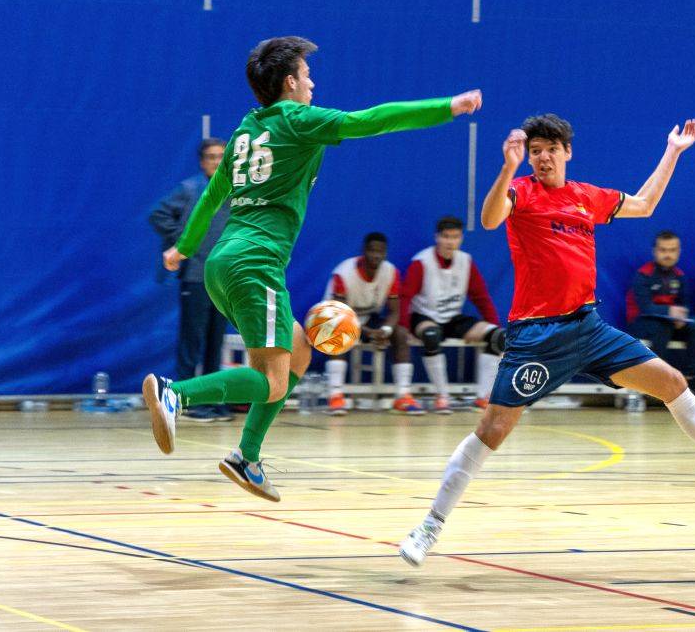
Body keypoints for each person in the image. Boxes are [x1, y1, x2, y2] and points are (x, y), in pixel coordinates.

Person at [399, 114, 695, 567]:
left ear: (568, 151)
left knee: (670, 382)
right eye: (535, 151)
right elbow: (490, 220)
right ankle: (430, 525)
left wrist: (673, 151)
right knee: (492, 430)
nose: (543, 157)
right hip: (537, 335)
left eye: (551, 149)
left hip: (587, 328)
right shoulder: (522, 192)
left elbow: (644, 204)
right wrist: (508, 168)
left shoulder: (587, 197)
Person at [141, 36, 482, 502]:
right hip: (255, 262)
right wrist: (448, 107)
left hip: (224, 262)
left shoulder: (245, 131)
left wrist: (183, 248)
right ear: (289, 82)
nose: (313, 82)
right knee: (273, 381)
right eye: (306, 74)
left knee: (298, 352)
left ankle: (247, 457)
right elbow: (374, 120)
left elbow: (211, 196)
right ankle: (175, 394)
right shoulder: (298, 120)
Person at [149, 138, 233, 423]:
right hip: (195, 278)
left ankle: (210, 400)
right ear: (202, 161)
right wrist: (183, 242)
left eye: (222, 157)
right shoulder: (189, 189)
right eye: (211, 157)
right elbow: (157, 215)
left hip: (221, 282)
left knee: (214, 342)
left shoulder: (233, 191)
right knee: (192, 342)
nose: (217, 162)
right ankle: (183, 400)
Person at [400, 216, 504, 414]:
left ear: (461, 239)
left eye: (454, 237)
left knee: (498, 337)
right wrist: (404, 327)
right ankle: (443, 397)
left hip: (452, 318)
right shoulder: (421, 262)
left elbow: (481, 296)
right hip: (423, 316)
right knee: (431, 336)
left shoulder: (466, 261)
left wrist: (494, 325)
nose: (450, 242)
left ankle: (483, 397)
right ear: (437, 237)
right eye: (446, 237)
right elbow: (405, 297)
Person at [323, 232, 424, 416]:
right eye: (372, 250)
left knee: (400, 333)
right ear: (364, 251)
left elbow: (394, 311)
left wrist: (384, 331)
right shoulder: (343, 273)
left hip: (368, 317)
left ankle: (403, 396)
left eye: (380, 251)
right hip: (334, 317)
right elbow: (342, 316)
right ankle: (335, 395)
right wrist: (370, 333)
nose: (376, 255)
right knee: (338, 333)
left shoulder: (390, 272)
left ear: (385, 253)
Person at [626, 230, 695, 409]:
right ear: (655, 251)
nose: (667, 254)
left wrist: (682, 317)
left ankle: (690, 377)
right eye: (663, 250)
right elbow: (645, 307)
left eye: (672, 250)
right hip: (642, 321)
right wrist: (669, 311)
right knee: (662, 327)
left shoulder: (679, 276)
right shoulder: (644, 274)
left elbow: (684, 305)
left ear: (678, 252)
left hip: (670, 323)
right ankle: (656, 382)